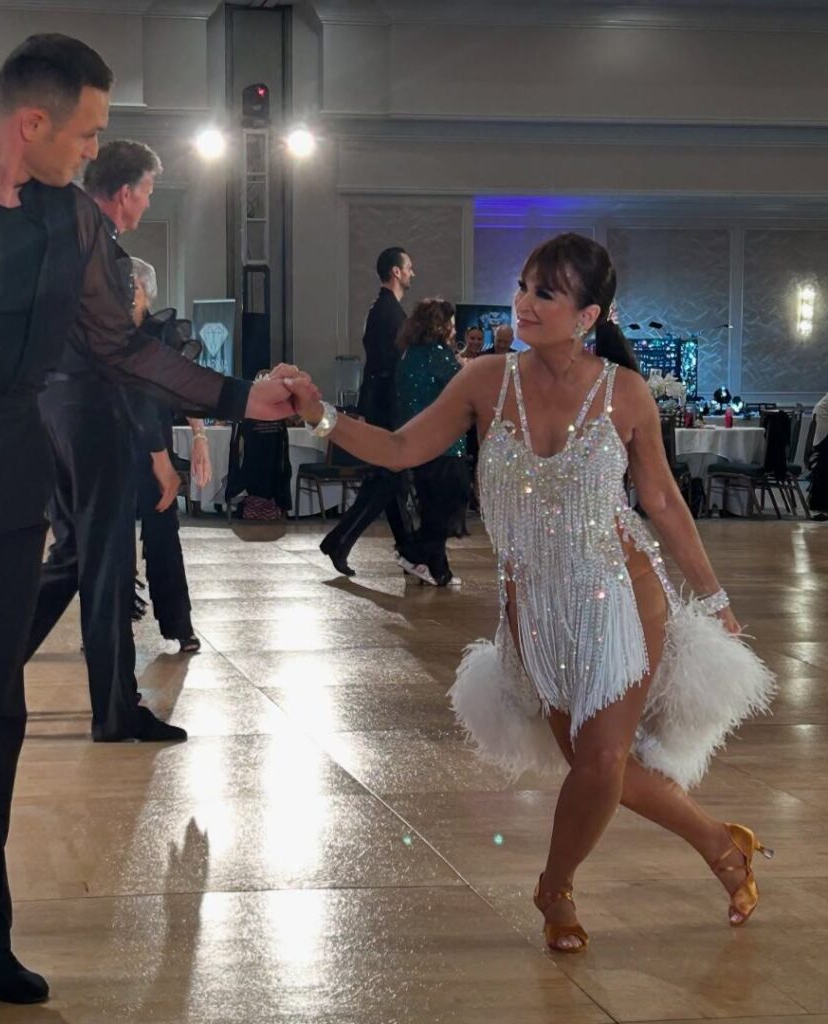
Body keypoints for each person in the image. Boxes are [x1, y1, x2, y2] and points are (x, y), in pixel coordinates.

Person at [0, 34, 297, 1018]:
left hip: (3, 505)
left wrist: (243, 396)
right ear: (33, 122)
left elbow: (119, 346)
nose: (92, 149)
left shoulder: (73, 221)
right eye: (86, 132)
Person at [287, 232, 775, 955]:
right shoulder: (486, 380)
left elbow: (665, 505)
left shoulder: (626, 393)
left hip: (622, 596)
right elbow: (399, 448)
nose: (523, 303)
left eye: (545, 292)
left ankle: (555, 886)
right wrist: (318, 415)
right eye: (523, 287)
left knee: (602, 762)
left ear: (588, 314)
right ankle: (720, 844)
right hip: (535, 614)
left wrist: (715, 599)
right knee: (603, 769)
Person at [23, 139, 189, 743]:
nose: (146, 205)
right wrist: (157, 453)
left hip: (52, 413)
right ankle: (116, 714)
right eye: (146, 193)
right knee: (109, 567)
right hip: (95, 418)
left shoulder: (57, 239)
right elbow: (126, 366)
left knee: (72, 557)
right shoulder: (109, 262)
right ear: (124, 193)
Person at [127, 258, 208, 652]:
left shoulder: (163, 334)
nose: (126, 293)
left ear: (147, 291)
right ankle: (110, 625)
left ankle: (180, 625)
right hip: (109, 447)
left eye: (132, 287)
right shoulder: (103, 329)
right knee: (111, 542)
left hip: (154, 448)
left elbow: (186, 387)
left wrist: (199, 437)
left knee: (163, 537)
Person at [318, 246, 414, 576]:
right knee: (391, 479)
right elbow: (389, 366)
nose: (412, 273)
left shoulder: (384, 309)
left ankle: (343, 541)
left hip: (382, 404)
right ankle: (409, 555)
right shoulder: (388, 313)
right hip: (387, 407)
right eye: (409, 267)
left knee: (388, 482)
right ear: (396, 272)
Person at [393, 299, 469, 586]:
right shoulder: (437, 354)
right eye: (450, 322)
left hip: (417, 440)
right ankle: (413, 554)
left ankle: (438, 569)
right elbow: (463, 385)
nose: (453, 328)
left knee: (431, 506)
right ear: (441, 324)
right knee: (448, 504)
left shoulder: (409, 353)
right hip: (444, 441)